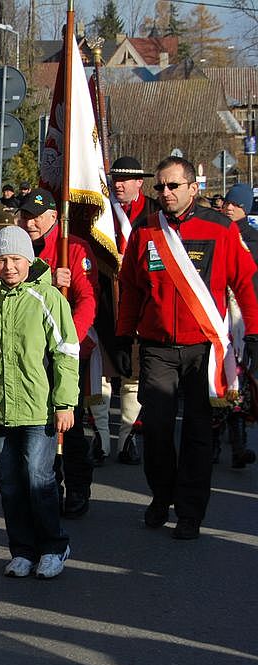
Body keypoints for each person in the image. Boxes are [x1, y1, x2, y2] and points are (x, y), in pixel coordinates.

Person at [115, 156, 258, 540]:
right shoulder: (146, 229)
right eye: (160, 186)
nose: (165, 192)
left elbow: (246, 283)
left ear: (193, 188)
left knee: (198, 432)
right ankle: (162, 496)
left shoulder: (221, 228)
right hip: (157, 346)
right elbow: (131, 287)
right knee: (157, 429)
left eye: (173, 185)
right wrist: (123, 334)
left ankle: (191, 511)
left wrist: (254, 333)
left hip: (203, 348)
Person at [0, 226, 79, 579]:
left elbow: (66, 353)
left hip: (38, 409)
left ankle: (53, 547)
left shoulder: (48, 298)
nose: (9, 266)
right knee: (9, 485)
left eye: (15, 259)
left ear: (29, 260)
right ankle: (22, 550)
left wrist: (65, 403)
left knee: (39, 481)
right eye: (1, 260)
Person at [17, 188, 98, 518]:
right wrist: (49, 279)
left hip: (64, 350)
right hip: (29, 351)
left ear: (54, 216)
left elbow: (87, 299)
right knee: (36, 424)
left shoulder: (72, 248)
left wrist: (68, 341)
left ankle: (77, 486)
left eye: (37, 217)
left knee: (70, 424)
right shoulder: (16, 249)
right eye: (25, 215)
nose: (30, 223)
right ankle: (48, 486)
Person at [91, 156, 160, 467]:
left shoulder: (154, 213)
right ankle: (101, 438)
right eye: (114, 179)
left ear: (139, 183)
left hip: (141, 298)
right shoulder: (99, 211)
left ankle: (128, 438)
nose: (118, 185)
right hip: (105, 299)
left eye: (124, 180)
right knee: (102, 370)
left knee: (133, 374)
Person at [215, 183, 257, 469]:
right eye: (227, 203)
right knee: (216, 379)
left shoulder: (253, 240)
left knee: (238, 382)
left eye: (236, 204)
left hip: (242, 320)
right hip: (217, 316)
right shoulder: (217, 231)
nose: (229, 208)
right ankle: (213, 443)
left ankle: (239, 444)